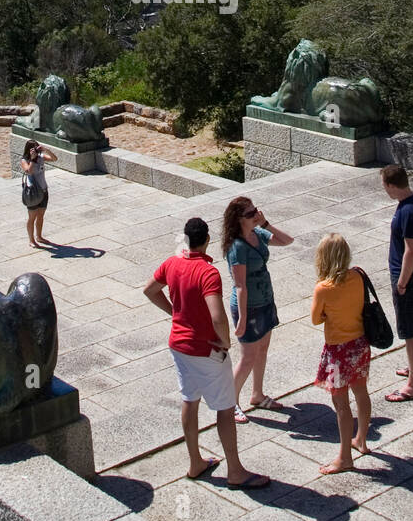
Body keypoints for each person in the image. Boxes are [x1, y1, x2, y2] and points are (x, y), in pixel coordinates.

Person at [144, 217, 269, 490]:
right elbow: (217, 315)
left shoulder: (171, 263)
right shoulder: (207, 272)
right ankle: (235, 471)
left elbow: (150, 290)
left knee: (189, 400)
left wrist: (173, 313)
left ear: (186, 239)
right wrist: (224, 341)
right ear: (207, 240)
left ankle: (195, 462)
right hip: (205, 350)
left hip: (178, 346)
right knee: (225, 409)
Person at [221, 195, 293, 422]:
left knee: (262, 350)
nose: (255, 214)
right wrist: (241, 319)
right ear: (238, 219)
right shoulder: (236, 247)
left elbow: (287, 240)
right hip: (248, 307)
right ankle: (229, 402)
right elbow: (240, 286)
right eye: (250, 213)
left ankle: (257, 394)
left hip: (265, 300)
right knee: (248, 357)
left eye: (256, 211)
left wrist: (265, 223)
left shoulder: (257, 234)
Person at [310, 233, 372, 474]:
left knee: (341, 404)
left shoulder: (323, 288)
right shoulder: (358, 276)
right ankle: (362, 440)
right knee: (361, 392)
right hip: (359, 344)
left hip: (338, 350)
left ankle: (345, 457)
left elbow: (316, 319)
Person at [381, 164, 413, 401]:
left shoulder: (408, 211)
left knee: (409, 330)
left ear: (391, 185)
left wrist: (401, 282)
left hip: (407, 275)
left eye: (384, 185)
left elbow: (411, 249)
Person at [19, 139, 57, 248]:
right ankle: (31, 240)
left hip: (43, 189)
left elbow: (54, 159)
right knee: (32, 217)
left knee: (41, 215)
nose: (35, 150)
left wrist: (46, 150)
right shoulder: (24, 160)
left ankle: (39, 236)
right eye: (33, 148)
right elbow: (29, 171)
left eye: (36, 147)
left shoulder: (41, 157)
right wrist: (32, 159)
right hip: (32, 192)